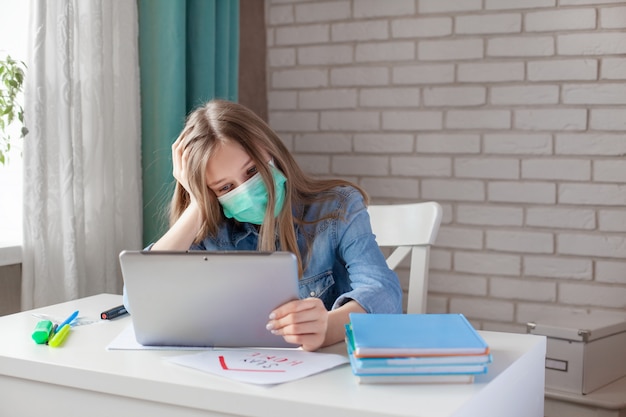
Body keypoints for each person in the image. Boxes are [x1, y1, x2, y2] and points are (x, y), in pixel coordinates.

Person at [141, 99, 402, 351]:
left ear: (272, 151)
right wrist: (197, 206)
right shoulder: (213, 233)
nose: (245, 191)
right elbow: (142, 299)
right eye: (226, 187)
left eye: (252, 171)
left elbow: (384, 294)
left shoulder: (338, 208)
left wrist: (328, 327)